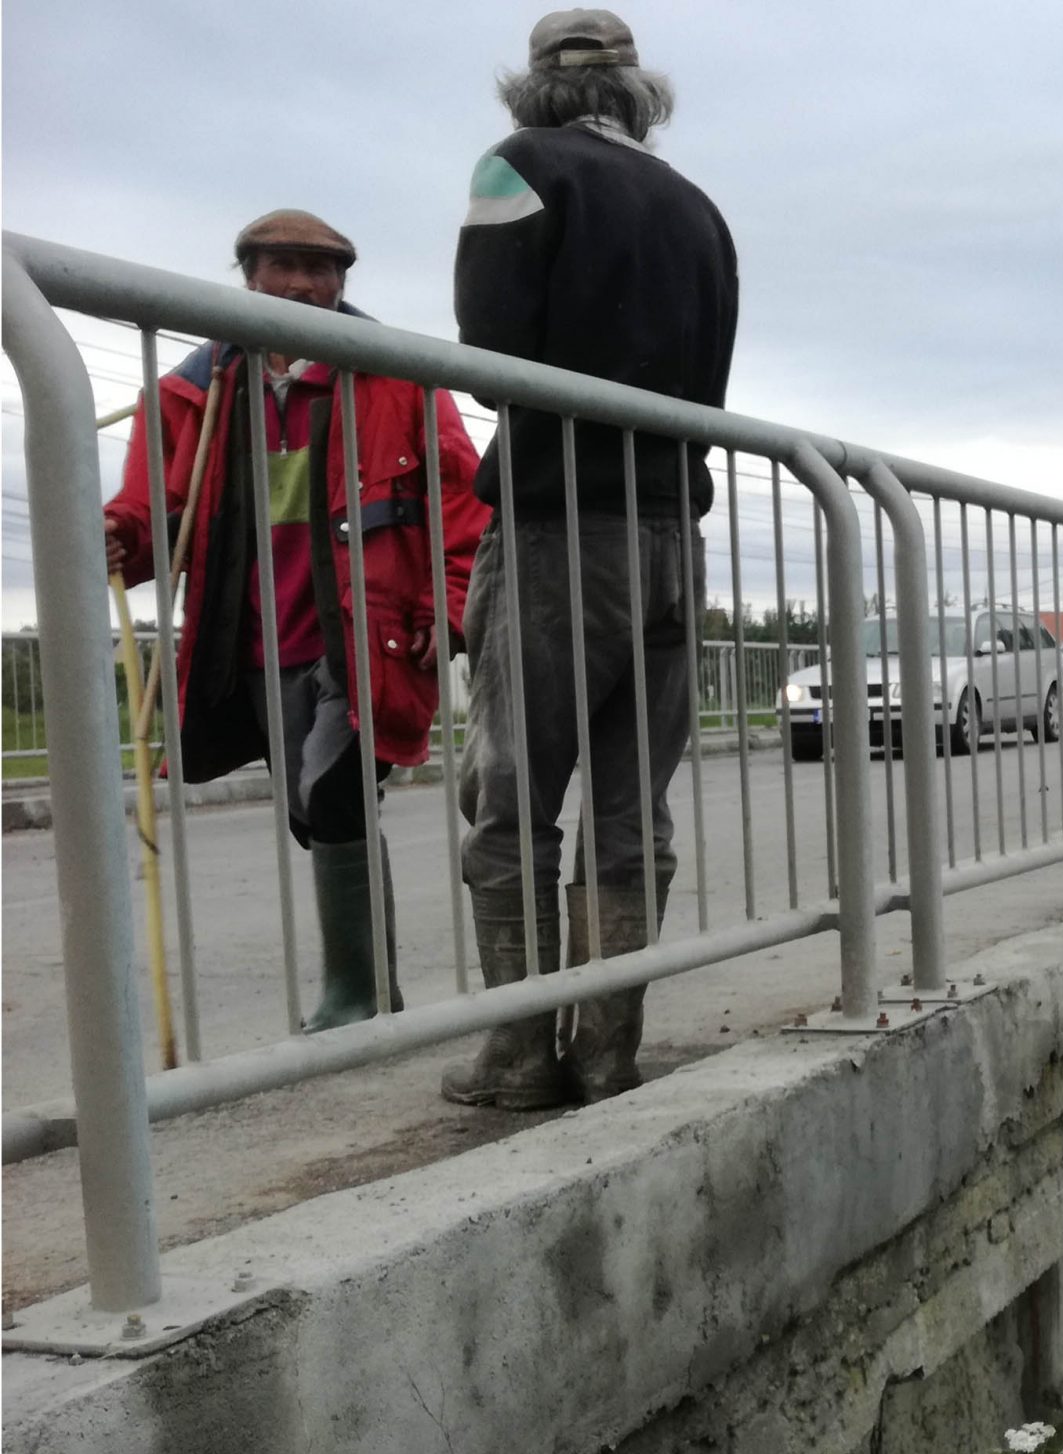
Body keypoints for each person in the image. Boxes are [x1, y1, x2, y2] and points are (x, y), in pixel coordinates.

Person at [442, 8, 739, 1110]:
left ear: (533, 89)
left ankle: (519, 1054)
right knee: (631, 807)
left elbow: (490, 357)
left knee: (513, 799)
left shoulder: (517, 167)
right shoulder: (697, 207)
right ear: (635, 91)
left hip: (562, 525)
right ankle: (607, 1048)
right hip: (673, 531)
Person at [100, 210, 485, 1032]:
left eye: (323, 270)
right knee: (311, 807)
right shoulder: (191, 391)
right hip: (252, 638)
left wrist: (449, 608)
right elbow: (150, 511)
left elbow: (461, 501)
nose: (304, 285)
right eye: (283, 266)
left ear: (344, 284)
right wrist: (117, 537)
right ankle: (369, 989)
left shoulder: (395, 375)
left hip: (364, 633)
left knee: (336, 791)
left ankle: (357, 997)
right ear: (248, 276)